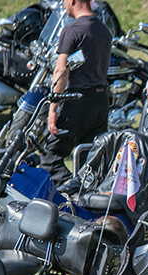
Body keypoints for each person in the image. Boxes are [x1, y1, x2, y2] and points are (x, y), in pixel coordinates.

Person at [41, 0, 112, 187]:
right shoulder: (104, 30)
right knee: (91, 160)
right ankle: (87, 196)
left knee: (51, 161)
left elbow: (60, 72)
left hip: (77, 101)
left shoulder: (71, 31)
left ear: (72, 1)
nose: (64, 5)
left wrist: (53, 109)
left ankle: (71, 192)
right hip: (101, 100)